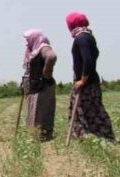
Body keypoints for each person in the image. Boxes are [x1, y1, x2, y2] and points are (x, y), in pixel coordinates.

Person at [65, 12, 114, 140]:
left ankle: (88, 137)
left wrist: (82, 80)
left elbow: (88, 60)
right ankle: (97, 137)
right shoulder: (88, 36)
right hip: (92, 82)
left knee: (86, 111)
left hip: (86, 84)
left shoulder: (81, 38)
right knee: (92, 110)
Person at [22, 29, 58, 140]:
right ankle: (36, 136)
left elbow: (51, 56)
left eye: (28, 39)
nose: (27, 42)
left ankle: (41, 136)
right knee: (35, 112)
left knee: (41, 112)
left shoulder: (43, 47)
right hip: (36, 87)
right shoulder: (33, 49)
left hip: (43, 87)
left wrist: (46, 72)